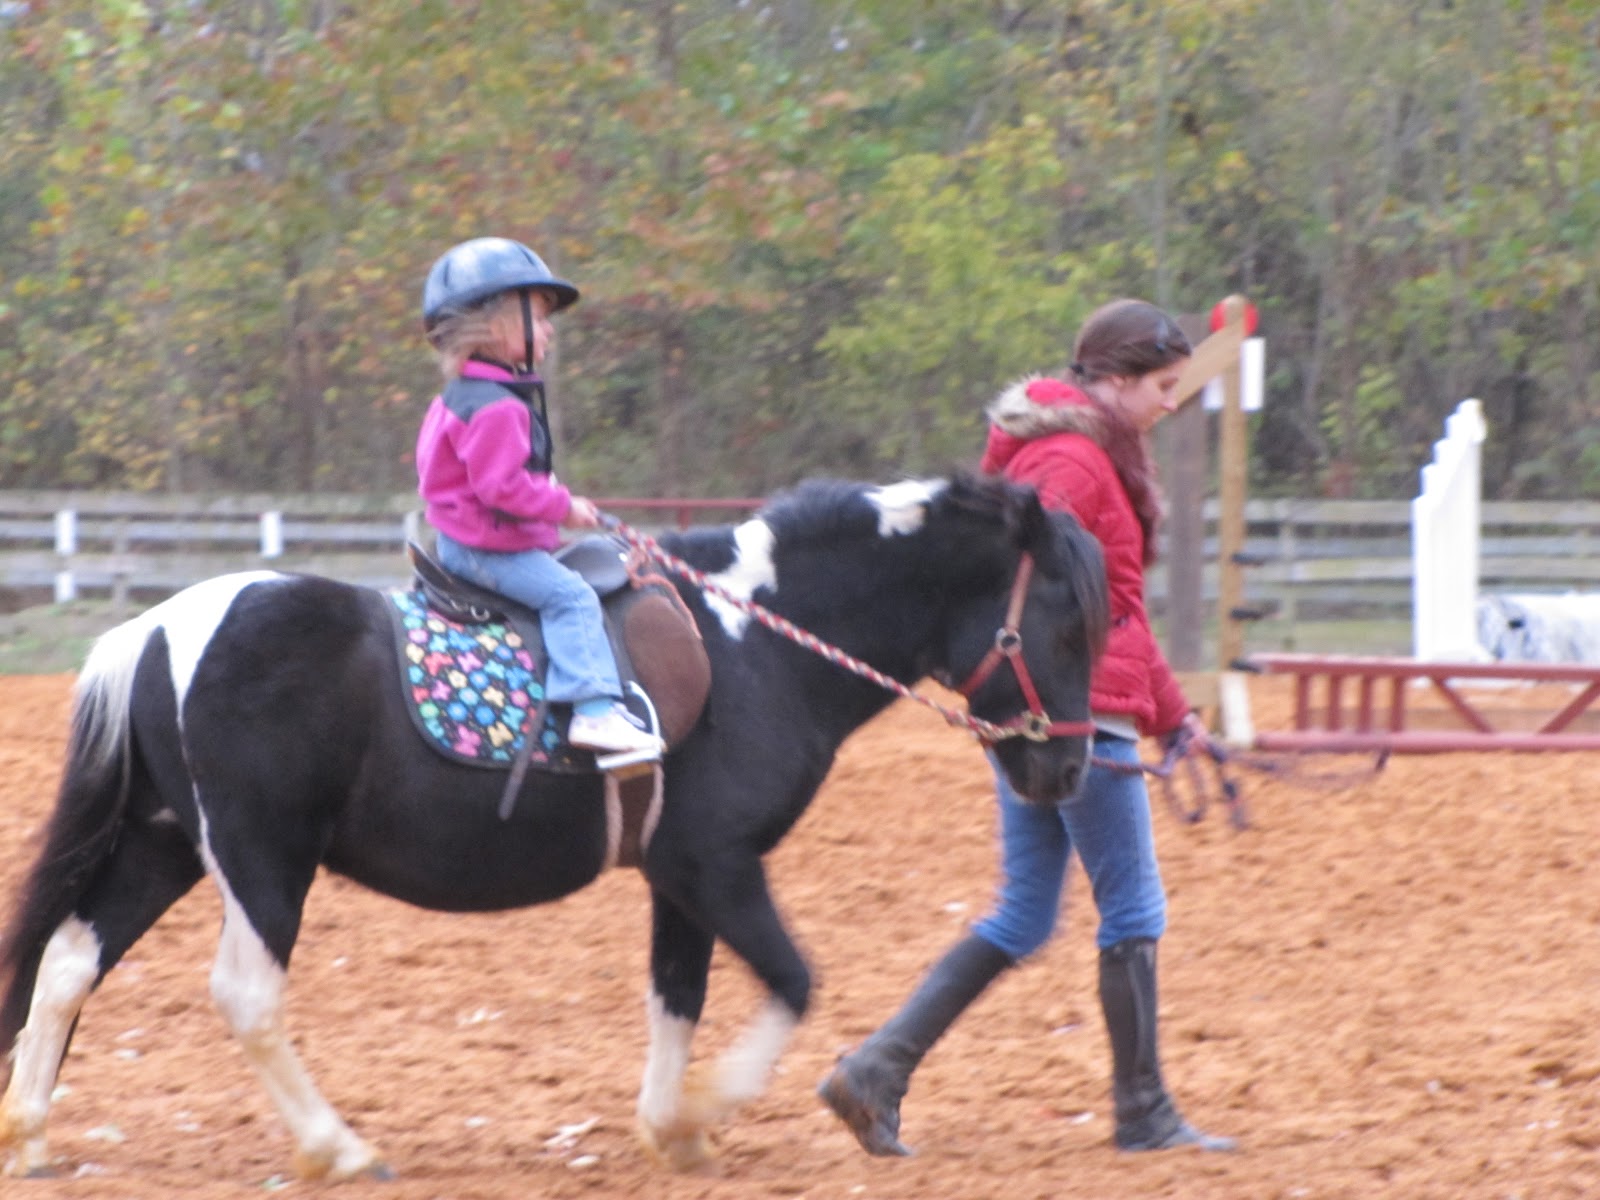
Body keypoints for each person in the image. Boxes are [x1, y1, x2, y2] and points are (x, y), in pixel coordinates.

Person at [818, 298, 1235, 1156]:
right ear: (1113, 382)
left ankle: (876, 1072)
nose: (1169, 402)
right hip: (1080, 717)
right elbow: (1071, 608)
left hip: (1066, 710)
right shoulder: (1076, 466)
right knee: (1132, 908)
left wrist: (1176, 715)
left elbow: (1113, 609)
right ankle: (1143, 1111)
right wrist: (1148, 715)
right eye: (1160, 386)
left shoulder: (1072, 453)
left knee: (1024, 916)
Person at [415, 236, 660, 759]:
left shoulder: (463, 395)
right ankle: (594, 712)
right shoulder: (499, 407)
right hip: (486, 550)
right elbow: (501, 489)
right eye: (541, 318)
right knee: (571, 597)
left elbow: (483, 478)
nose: (550, 330)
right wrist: (562, 508)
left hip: (463, 540)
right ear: (498, 326)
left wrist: (555, 498)